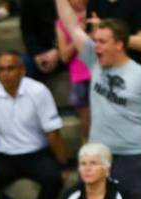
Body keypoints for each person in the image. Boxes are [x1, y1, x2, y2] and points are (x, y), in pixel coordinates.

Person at [55, 1, 141, 199]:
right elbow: (71, 26)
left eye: (102, 41)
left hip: (135, 158)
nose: (96, 46)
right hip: (101, 157)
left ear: (119, 44)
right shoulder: (94, 61)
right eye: (95, 40)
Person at [0, 51, 67, 199]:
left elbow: (53, 132)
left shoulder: (38, 91)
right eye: (1, 69)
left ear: (22, 70)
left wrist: (62, 164)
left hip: (36, 154)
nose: (6, 73)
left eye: (11, 68)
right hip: (3, 156)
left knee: (54, 178)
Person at [63, 143, 139, 199]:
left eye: (93, 163)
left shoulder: (122, 193)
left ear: (107, 169)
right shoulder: (70, 196)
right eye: (83, 164)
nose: (87, 168)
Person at [57, 0, 91, 139]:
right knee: (87, 121)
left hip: (100, 74)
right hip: (80, 78)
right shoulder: (61, 23)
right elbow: (64, 56)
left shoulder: (96, 17)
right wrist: (78, 34)